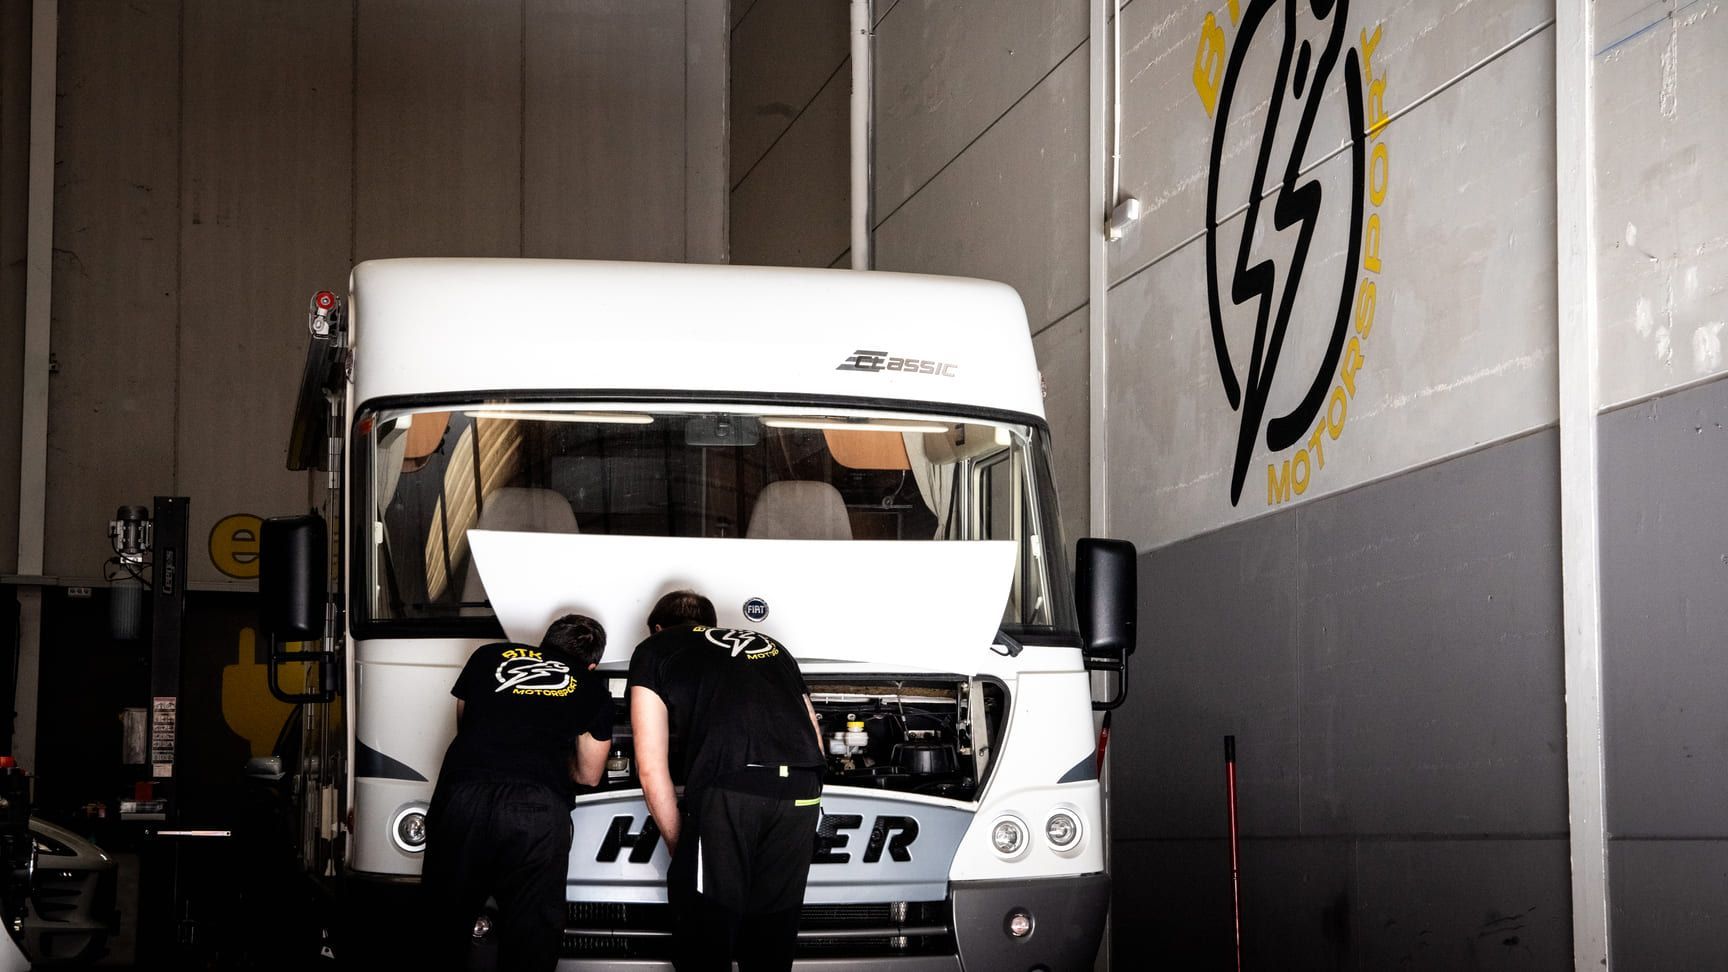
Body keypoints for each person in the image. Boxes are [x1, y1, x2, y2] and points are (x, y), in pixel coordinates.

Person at [627, 590, 826, 972]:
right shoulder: (771, 646)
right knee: (772, 938)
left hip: (732, 785)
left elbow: (650, 768)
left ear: (656, 628)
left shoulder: (655, 648)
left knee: (706, 935)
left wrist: (681, 845)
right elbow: (814, 735)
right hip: (802, 788)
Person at [422, 614, 614, 972]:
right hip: (537, 808)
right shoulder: (591, 688)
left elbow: (465, 723)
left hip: (464, 793)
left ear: (543, 642)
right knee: (531, 937)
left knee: (442, 923)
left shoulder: (488, 655)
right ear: (592, 664)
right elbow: (589, 775)